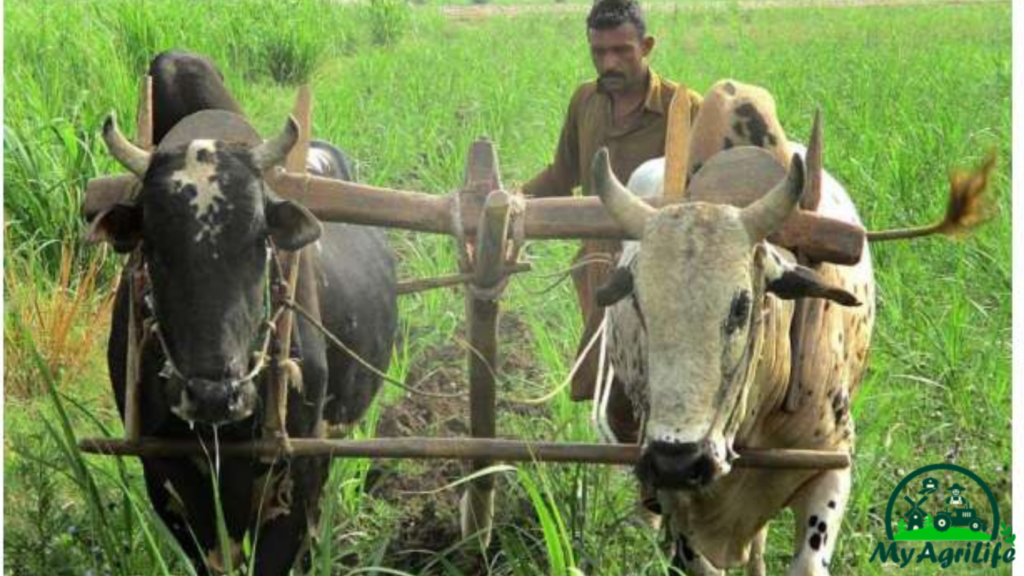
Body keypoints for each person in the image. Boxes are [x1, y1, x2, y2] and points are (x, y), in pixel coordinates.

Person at [521, 0, 702, 443]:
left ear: (647, 46)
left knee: (657, 377)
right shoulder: (585, 101)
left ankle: (664, 468)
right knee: (613, 384)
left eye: (622, 51)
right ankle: (638, 471)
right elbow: (562, 175)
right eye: (599, 52)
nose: (610, 62)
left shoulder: (683, 109)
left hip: (659, 276)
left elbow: (707, 201)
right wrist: (512, 201)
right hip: (597, 270)